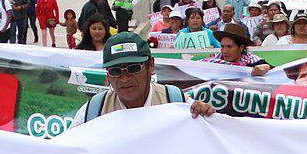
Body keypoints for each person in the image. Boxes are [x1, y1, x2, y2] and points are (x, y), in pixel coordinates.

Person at [71, 33, 214, 123]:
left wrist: (206, 117)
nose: (125, 78)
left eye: (133, 68)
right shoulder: (93, 111)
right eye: (115, 71)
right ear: (108, 74)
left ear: (150, 66)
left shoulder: (176, 101)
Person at [202, 22, 271, 73]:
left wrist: (267, 67)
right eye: (222, 46)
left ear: (241, 48)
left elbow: (277, 72)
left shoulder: (254, 62)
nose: (224, 51)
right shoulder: (212, 63)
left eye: (229, 47)